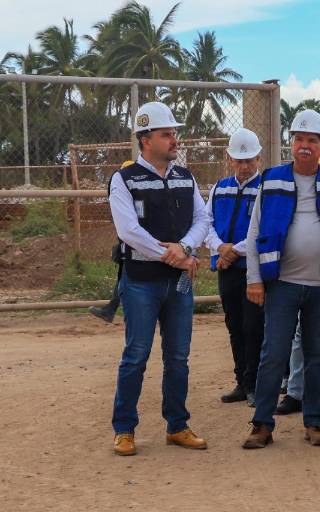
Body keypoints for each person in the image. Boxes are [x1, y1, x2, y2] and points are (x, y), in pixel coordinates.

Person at [241, 109, 320, 449]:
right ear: (291, 143)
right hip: (282, 285)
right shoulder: (272, 179)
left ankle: (314, 422)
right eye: (299, 139)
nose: (304, 146)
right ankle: (262, 424)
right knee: (273, 354)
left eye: (312, 140)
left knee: (317, 357)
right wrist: (254, 279)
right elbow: (254, 233)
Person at [109, 102, 210, 456]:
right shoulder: (124, 180)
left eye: (174, 134)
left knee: (178, 357)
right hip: (141, 282)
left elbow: (203, 219)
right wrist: (174, 256)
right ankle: (124, 429)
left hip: (178, 284)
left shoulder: (185, 177)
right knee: (136, 356)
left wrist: (185, 247)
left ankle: (177, 426)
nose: (174, 140)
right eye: (166, 134)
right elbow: (128, 231)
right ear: (145, 139)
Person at [205, 128, 265, 406]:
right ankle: (241, 381)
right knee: (234, 326)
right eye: (239, 160)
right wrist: (220, 248)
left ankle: (255, 383)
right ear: (230, 159)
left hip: (253, 270)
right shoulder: (220, 188)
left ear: (258, 158)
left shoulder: (265, 188)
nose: (244, 166)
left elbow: (262, 230)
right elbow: (206, 223)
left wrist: (233, 251)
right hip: (226, 267)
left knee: (254, 326)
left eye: (249, 160)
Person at [89, 160, 135, 323]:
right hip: (131, 242)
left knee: (127, 277)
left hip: (135, 244)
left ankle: (112, 310)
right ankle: (111, 309)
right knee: (125, 276)